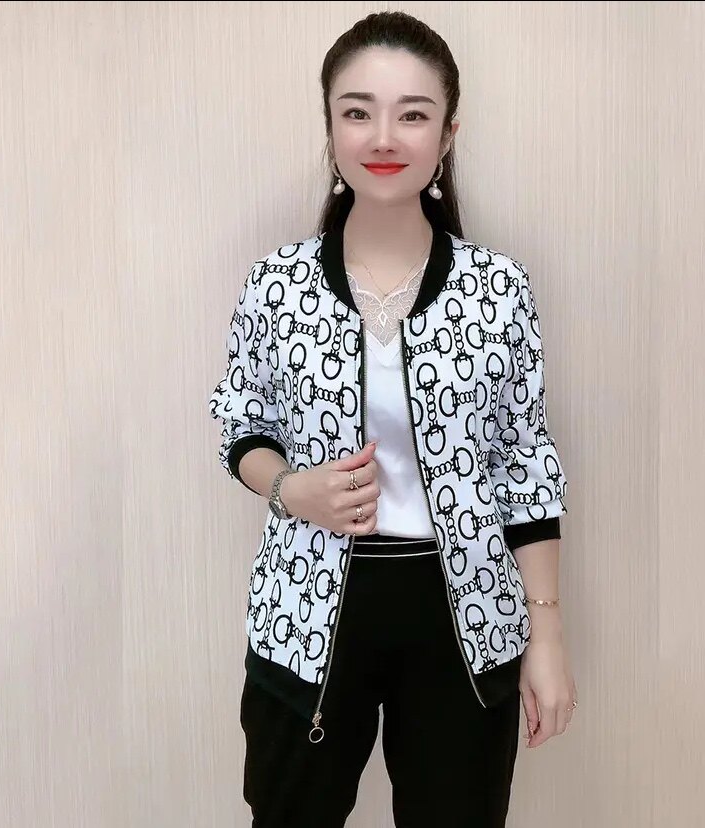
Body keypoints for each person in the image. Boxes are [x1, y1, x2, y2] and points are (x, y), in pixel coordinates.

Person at [208, 10, 577, 827]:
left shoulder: (498, 289)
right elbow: (240, 420)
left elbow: (524, 462)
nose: (383, 136)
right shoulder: (276, 285)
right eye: (357, 110)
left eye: (412, 113)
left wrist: (546, 634)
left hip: (464, 609)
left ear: (447, 135)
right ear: (330, 126)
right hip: (309, 606)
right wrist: (292, 489)